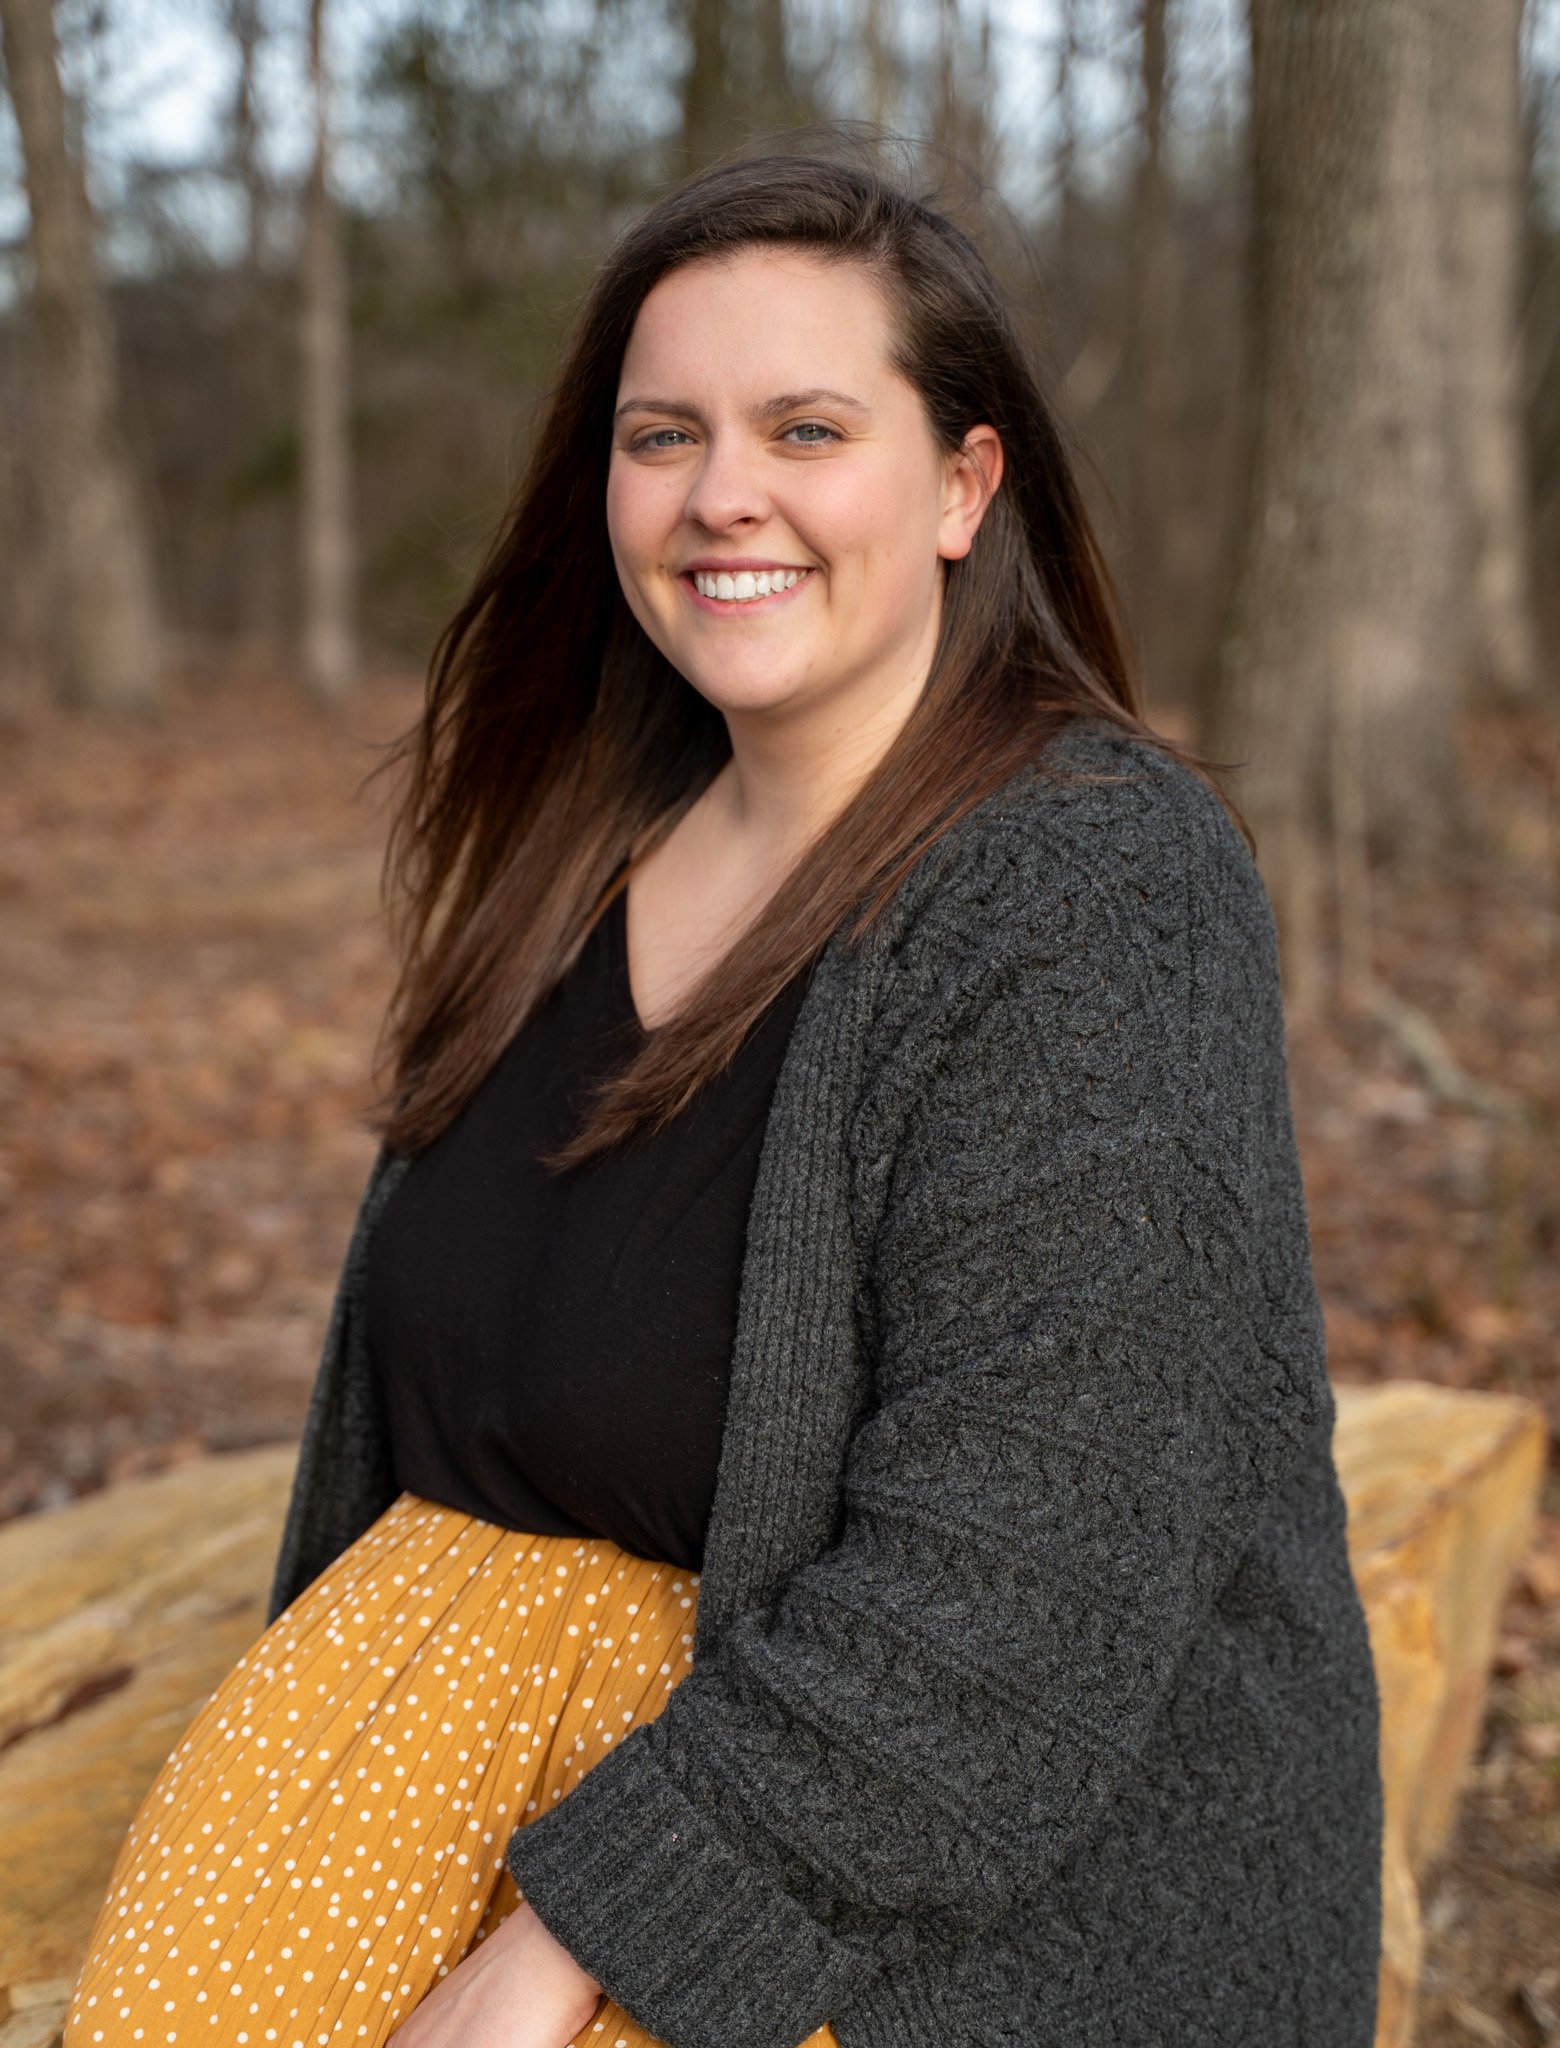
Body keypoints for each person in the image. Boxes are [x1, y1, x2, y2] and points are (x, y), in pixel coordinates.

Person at [64, 138, 1384, 2048]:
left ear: (961, 483)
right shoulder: (573, 843)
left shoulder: (1094, 885)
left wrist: (564, 1952)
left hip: (864, 1908)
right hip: (411, 1810)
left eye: (808, 427)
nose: (721, 495)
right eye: (662, 434)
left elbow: (1025, 1576)